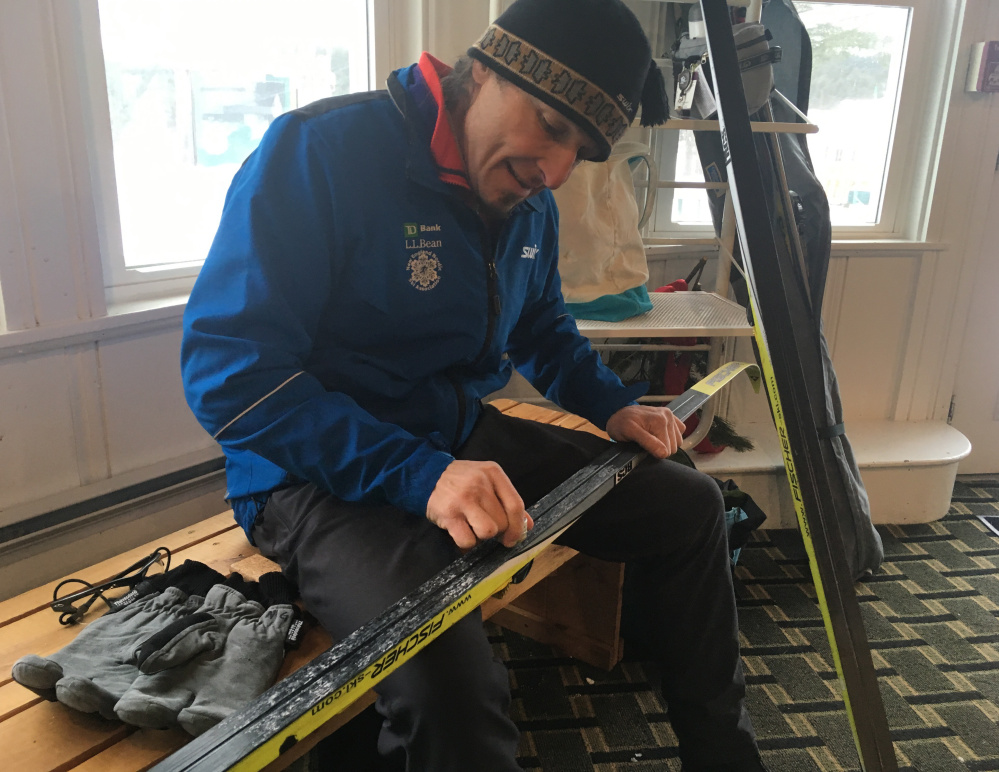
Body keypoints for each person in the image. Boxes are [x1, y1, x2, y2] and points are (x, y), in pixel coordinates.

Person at [181, 0, 767, 769]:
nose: (554, 172)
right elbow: (229, 373)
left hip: (453, 438)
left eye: (581, 152)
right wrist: (417, 475)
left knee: (689, 507)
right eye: (550, 127)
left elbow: (542, 326)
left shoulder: (523, 197)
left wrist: (610, 403)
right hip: (310, 478)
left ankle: (722, 756)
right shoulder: (319, 152)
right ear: (481, 71)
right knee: (446, 679)